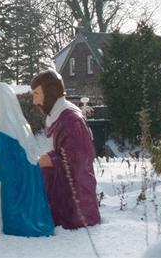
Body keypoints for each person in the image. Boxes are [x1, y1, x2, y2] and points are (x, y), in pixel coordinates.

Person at [32, 70, 101, 229]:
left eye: (36, 94)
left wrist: (51, 160)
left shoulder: (71, 120)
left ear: (49, 93)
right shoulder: (56, 115)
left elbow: (79, 162)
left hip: (75, 205)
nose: (34, 101)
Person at [0, 82, 54, 237]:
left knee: (1, 213)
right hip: (28, 182)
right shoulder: (21, 124)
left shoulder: (5, 126)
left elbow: (5, 161)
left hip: (13, 185)